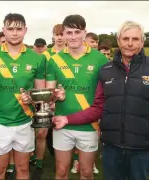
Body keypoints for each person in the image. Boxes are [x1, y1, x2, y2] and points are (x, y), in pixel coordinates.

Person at [52, 20, 149, 180]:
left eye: (135, 39)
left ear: (142, 41)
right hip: (111, 146)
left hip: (141, 147)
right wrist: (67, 118)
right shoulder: (107, 70)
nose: (130, 44)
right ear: (118, 41)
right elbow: (98, 107)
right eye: (125, 38)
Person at [0, 13, 46, 180]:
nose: (14, 33)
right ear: (3, 30)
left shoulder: (37, 58)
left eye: (18, 29)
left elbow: (40, 94)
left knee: (23, 170)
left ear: (25, 30)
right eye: (10, 29)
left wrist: (31, 98)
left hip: (25, 123)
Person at [46, 14, 108, 179]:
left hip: (89, 125)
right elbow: (48, 96)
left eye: (77, 32)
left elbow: (105, 94)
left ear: (84, 33)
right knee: (61, 171)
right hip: (62, 123)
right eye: (69, 32)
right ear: (64, 34)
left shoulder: (100, 59)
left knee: (86, 173)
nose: (73, 37)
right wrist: (55, 96)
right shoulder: (54, 60)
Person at [31, 24, 66, 180]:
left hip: (64, 99)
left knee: (64, 131)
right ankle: (39, 163)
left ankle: (68, 162)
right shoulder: (45, 55)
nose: (59, 37)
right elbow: (41, 78)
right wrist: (47, 99)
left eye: (61, 34)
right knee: (41, 132)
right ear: (53, 36)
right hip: (45, 98)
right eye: (56, 34)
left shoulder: (70, 53)